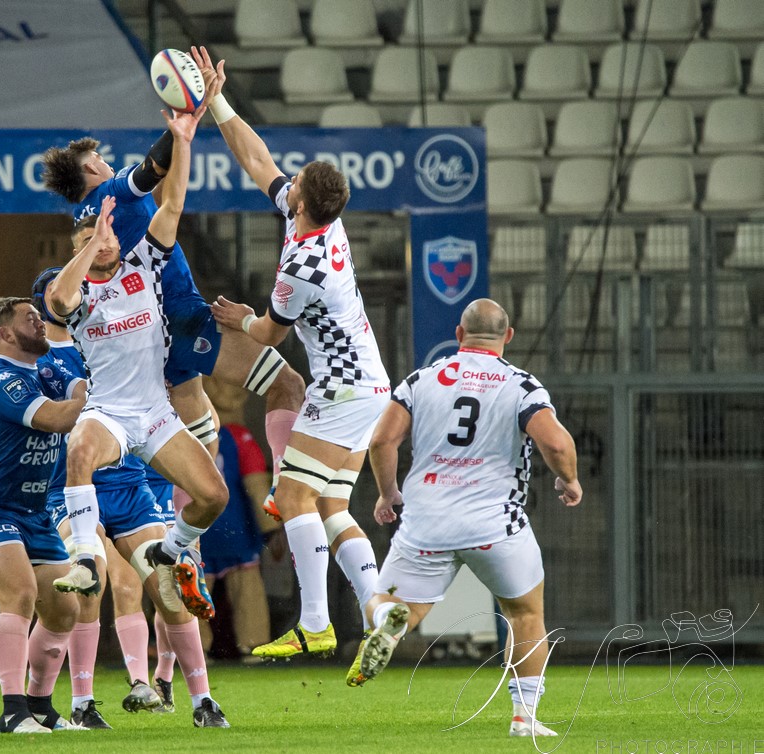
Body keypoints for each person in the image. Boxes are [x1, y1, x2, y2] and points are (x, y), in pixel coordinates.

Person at [196, 47, 389, 666]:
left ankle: (315, 623)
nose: (288, 179)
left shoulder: (300, 264)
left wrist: (238, 319)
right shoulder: (319, 226)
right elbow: (258, 161)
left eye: (295, 180)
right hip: (368, 385)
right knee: (331, 505)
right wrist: (217, 99)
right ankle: (380, 611)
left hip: (340, 388)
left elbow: (269, 335)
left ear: (302, 201)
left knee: (296, 498)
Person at [45, 105, 230, 728]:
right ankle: (83, 556)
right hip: (111, 414)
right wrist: (87, 245)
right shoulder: (80, 289)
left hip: (154, 414)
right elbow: (59, 298)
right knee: (79, 451)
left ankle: (177, 556)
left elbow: (171, 205)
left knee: (214, 496)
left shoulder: (143, 265)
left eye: (112, 238)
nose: (111, 241)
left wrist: (183, 139)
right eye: (101, 239)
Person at [41, 103, 306, 490]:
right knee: (289, 385)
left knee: (204, 435)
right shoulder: (114, 192)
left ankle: (184, 539)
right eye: (98, 157)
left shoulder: (84, 220)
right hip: (178, 318)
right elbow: (153, 171)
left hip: (146, 336)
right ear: (90, 170)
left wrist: (182, 145)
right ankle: (288, 488)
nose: (106, 162)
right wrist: (184, 116)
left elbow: (167, 193)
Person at [358, 299, 582, 739]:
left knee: (393, 605)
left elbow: (383, 440)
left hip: (426, 521)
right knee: (525, 614)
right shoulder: (522, 386)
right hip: (494, 526)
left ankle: (388, 623)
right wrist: (569, 480)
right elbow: (555, 444)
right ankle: (524, 718)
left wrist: (389, 493)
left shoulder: (421, 380)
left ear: (459, 336)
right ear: (508, 337)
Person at [29, 271, 172, 727]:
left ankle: (148, 683)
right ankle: (62, 699)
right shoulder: (38, 362)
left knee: (144, 583)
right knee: (85, 589)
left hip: (128, 477)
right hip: (67, 485)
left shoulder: (106, 341)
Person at [0, 295, 89, 734]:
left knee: (65, 608)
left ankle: (41, 707)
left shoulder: (46, 370)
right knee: (21, 593)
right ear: (7, 333)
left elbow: (79, 387)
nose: (42, 322)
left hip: (32, 513)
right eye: (31, 318)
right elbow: (57, 418)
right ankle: (12, 712)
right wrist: (105, 395)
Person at [198, 377, 274, 658]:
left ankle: (195, 650)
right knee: (248, 592)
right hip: (237, 530)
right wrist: (270, 528)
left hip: (197, 529)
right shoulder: (240, 438)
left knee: (192, 589)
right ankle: (253, 646)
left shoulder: (185, 437)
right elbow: (257, 488)